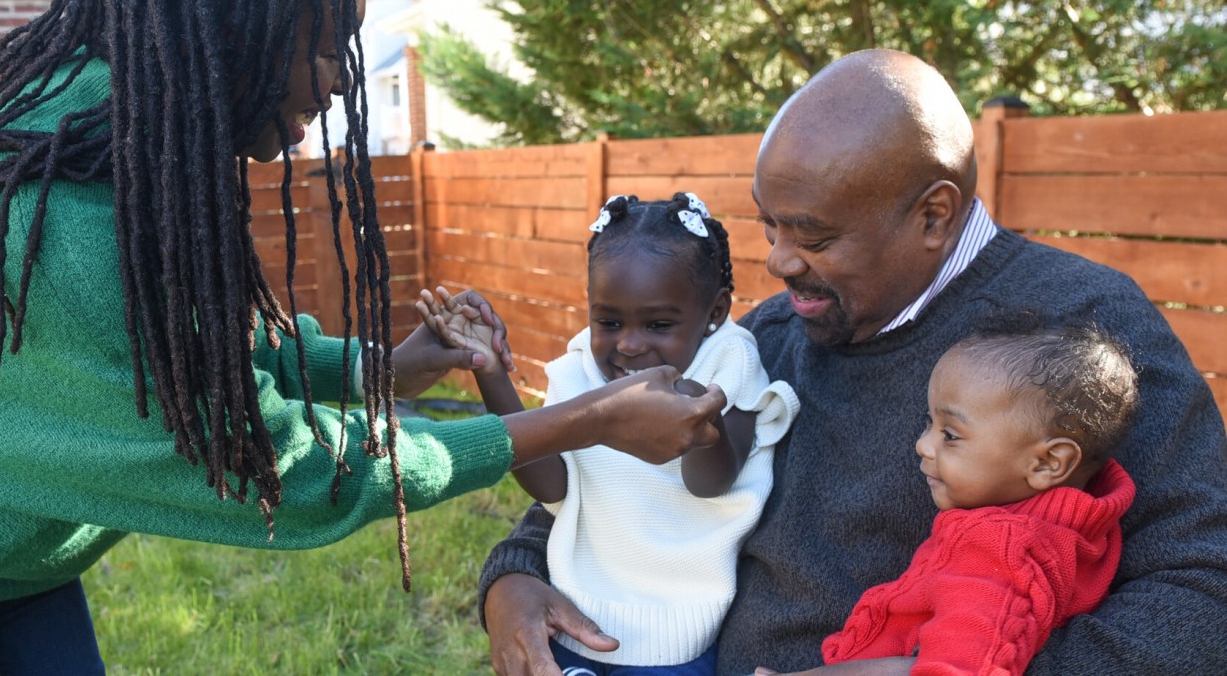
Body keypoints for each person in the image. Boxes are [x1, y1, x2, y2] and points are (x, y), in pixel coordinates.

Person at [0, 0, 726, 672]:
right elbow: (293, 472)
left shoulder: (130, 141)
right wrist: (589, 418)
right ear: (230, 23)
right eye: (324, 40)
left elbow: (200, 347)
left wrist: (380, 366)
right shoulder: (50, 225)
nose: (345, 75)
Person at [477, 48, 1227, 676]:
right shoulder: (765, 336)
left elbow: (1203, 588)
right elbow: (610, 488)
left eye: (814, 236)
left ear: (933, 214)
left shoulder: (1083, 330)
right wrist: (512, 577)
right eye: (770, 225)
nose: (777, 261)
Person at [421, 193, 800, 674]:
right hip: (573, 619)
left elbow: (711, 482)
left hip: (679, 634)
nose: (629, 343)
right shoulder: (579, 369)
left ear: (714, 311)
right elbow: (552, 486)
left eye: (659, 324)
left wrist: (700, 416)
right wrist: (491, 373)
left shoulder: (729, 359)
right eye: (608, 321)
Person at [786, 319, 1138, 676]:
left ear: (1048, 462)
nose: (922, 445)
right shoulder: (1078, 528)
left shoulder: (1002, 550)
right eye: (929, 423)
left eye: (950, 435)